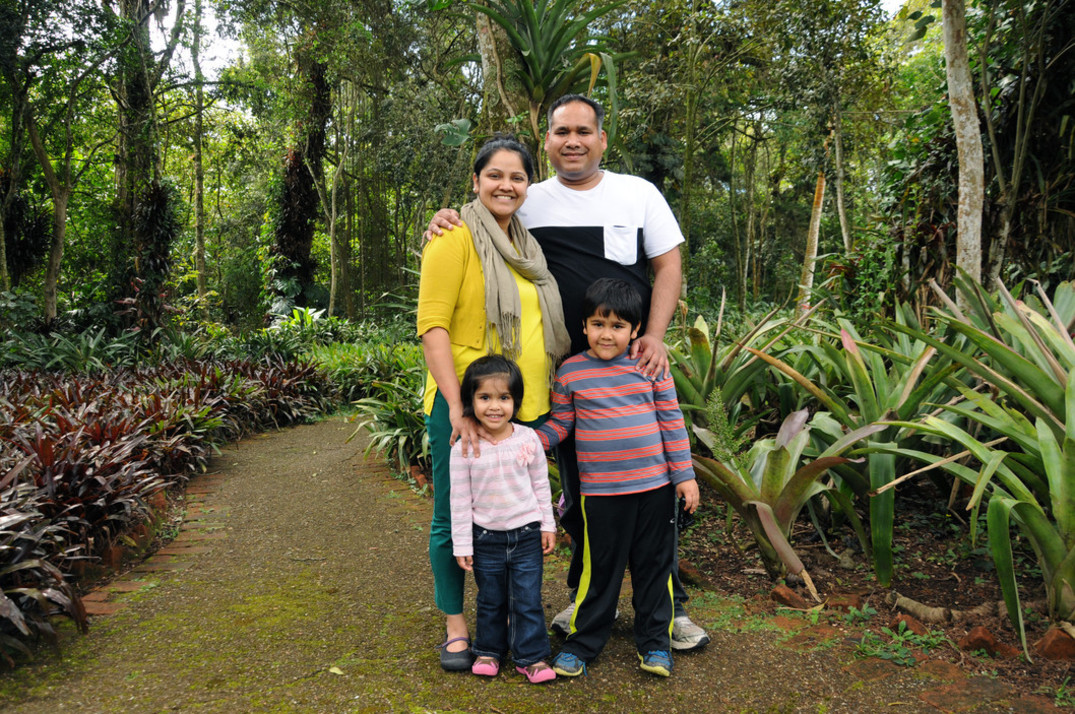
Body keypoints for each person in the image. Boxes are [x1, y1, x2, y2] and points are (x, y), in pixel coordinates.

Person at [428, 94, 709, 651]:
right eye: (561, 132)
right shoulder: (530, 201)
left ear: (603, 139)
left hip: (630, 372)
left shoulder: (638, 193)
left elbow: (668, 265)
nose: (573, 140)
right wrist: (444, 219)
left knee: (654, 500)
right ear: (547, 142)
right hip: (565, 379)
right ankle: (587, 602)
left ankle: (667, 609)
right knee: (582, 497)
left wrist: (652, 336)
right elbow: (484, 219)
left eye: (584, 131)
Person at [417, 135, 571, 672]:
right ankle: (457, 626)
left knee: (516, 511)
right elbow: (432, 325)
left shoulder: (527, 244)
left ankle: (508, 616)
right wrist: (458, 407)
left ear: (529, 185)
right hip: (465, 402)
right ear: (476, 180)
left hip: (520, 402)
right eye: (495, 175)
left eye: (518, 177)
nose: (506, 185)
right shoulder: (453, 236)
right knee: (453, 513)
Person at [534, 278, 700, 678]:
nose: (606, 334)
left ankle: (656, 644)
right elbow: (561, 424)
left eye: (617, 326)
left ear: (636, 330)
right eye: (597, 324)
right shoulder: (571, 372)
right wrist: (527, 441)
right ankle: (583, 643)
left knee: (654, 569)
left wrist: (685, 476)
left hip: (655, 490)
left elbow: (671, 422)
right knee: (599, 570)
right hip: (601, 494)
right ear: (585, 326)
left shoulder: (650, 366)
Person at [450, 355, 557, 684]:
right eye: (484, 397)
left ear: (516, 401)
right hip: (486, 540)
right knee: (490, 598)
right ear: (470, 401)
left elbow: (541, 484)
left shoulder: (527, 440)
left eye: (504, 398)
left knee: (527, 598)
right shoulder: (464, 448)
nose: (494, 407)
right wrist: (462, 544)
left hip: (526, 535)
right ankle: (489, 651)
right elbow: (459, 500)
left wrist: (548, 525)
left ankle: (532, 657)